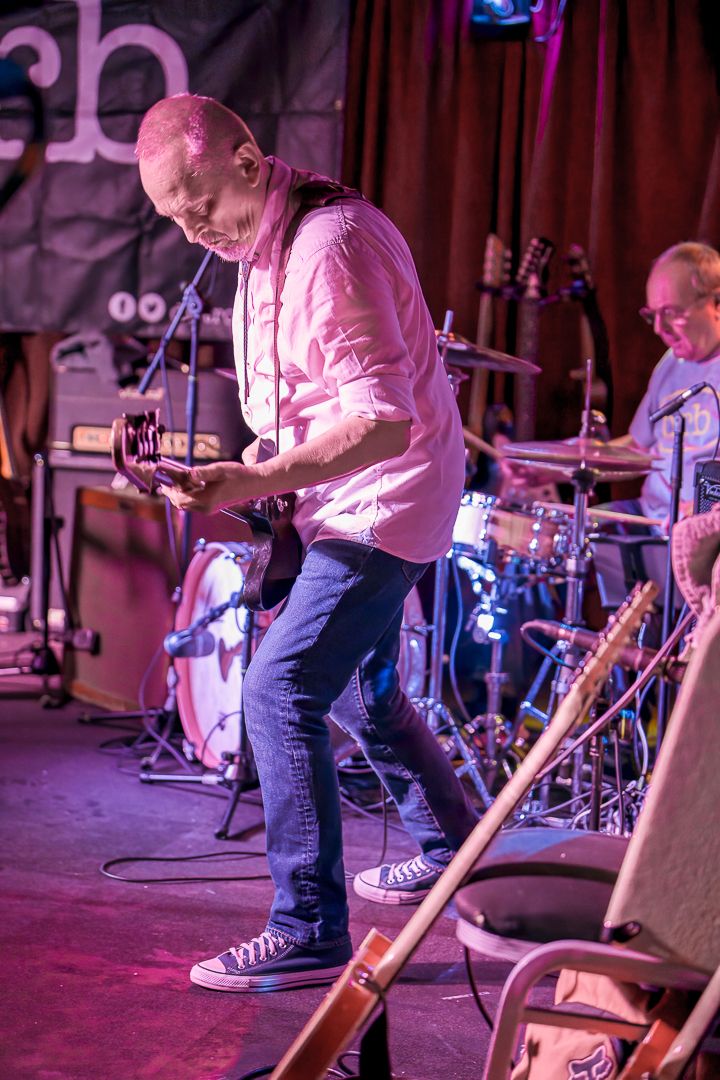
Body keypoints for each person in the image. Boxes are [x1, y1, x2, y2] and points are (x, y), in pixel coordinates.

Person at [135, 94, 478, 993]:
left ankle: (310, 928)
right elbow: (310, 405)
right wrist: (242, 467)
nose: (192, 233)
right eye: (175, 220)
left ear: (248, 163)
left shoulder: (330, 245)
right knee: (363, 691)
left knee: (279, 688)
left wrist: (246, 484)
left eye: (198, 207)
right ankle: (454, 847)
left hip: (385, 499)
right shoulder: (264, 243)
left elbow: (382, 424)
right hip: (356, 495)